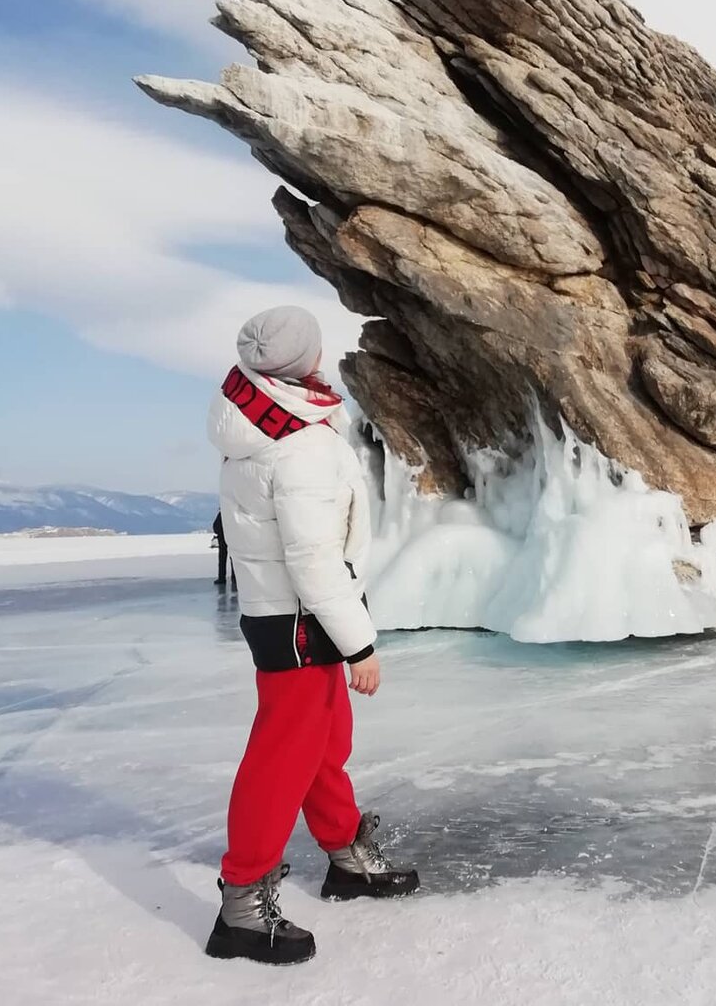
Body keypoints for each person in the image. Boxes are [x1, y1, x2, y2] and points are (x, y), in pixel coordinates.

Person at [204, 305, 419, 966]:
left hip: (286, 613)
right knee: (284, 754)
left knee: (323, 742)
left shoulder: (266, 421)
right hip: (303, 618)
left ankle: (346, 856)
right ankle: (242, 901)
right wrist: (359, 642)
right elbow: (313, 557)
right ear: (304, 360)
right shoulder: (300, 444)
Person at [211, 510, 236, 590]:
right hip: (232, 539)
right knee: (233, 560)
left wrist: (220, 533)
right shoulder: (233, 514)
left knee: (222, 560)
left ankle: (222, 578)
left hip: (222, 540)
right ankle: (234, 578)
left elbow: (216, 527)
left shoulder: (222, 514)